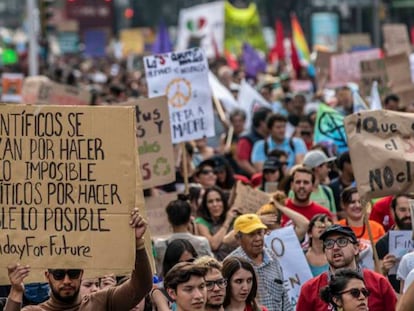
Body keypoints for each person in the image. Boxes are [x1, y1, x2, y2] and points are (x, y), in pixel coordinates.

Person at [5, 208, 152, 311]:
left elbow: (141, 286)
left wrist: (137, 243)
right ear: (47, 276)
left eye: (73, 273)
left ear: (82, 273)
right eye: (59, 275)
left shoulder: (103, 302)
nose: (67, 281)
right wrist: (16, 291)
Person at [296, 224, 397, 311]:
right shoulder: (310, 289)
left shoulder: (379, 282)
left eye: (342, 242)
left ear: (356, 248)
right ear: (325, 252)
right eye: (329, 244)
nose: (335, 248)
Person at [226, 214, 292, 311]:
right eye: (251, 234)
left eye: (260, 233)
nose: (258, 238)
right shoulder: (231, 264)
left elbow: (283, 296)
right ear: (238, 238)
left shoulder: (272, 257)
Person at [154, 197, 213, 274]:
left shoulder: (159, 245)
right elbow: (211, 267)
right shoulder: (202, 242)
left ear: (169, 219)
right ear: (189, 218)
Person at [375, 193, 414, 292]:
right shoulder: (382, 243)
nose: (408, 214)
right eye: (402, 210)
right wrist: (383, 269)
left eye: (411, 209)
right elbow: (376, 280)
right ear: (392, 211)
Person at [151, 239, 199, 311]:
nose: (186, 267)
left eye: (190, 261)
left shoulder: (203, 286)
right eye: (180, 263)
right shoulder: (161, 292)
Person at [195, 186, 238, 260]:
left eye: (218, 200)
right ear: (206, 205)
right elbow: (213, 245)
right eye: (210, 202)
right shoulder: (201, 222)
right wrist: (227, 222)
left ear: (223, 202)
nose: (215, 205)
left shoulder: (232, 217)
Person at [235, 107, 272, 178]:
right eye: (270, 121)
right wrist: (258, 176)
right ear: (262, 123)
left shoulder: (271, 139)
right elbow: (242, 161)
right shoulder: (246, 140)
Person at [301, 149, 337, 214]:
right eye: (327, 166)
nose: (329, 170)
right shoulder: (297, 192)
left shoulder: (327, 191)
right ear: (318, 167)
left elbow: (333, 216)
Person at [329, 151, 354, 219]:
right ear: (345, 164)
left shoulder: (360, 184)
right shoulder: (332, 187)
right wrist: (339, 214)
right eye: (353, 162)